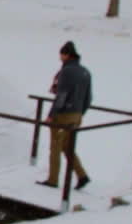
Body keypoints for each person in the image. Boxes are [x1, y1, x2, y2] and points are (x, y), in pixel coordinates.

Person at [38, 41, 92, 190]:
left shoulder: (66, 72)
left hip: (63, 115)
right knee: (67, 147)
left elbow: (61, 95)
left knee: (55, 147)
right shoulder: (85, 72)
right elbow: (88, 98)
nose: (60, 57)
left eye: (61, 54)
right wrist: (80, 113)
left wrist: (51, 115)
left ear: (67, 54)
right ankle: (82, 176)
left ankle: (53, 179)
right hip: (77, 115)